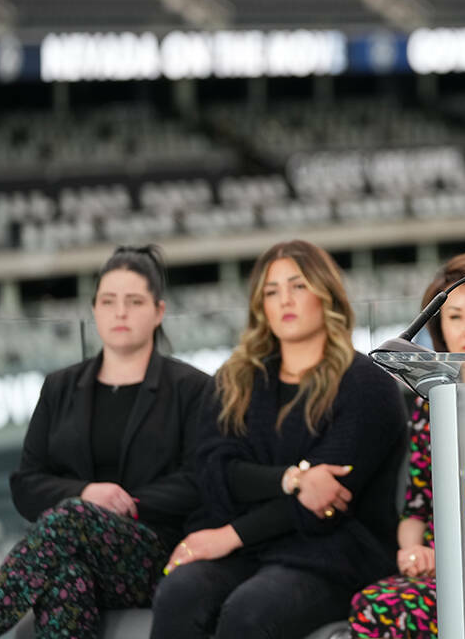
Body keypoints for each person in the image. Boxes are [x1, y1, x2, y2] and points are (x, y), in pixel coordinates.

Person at [0, 245, 212, 639]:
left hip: (157, 556)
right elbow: (27, 485)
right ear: (94, 310)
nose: (119, 312)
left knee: (74, 518)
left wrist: (124, 504)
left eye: (134, 301)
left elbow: (199, 480)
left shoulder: (192, 388)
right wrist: (88, 492)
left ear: (158, 311)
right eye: (108, 301)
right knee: (65, 579)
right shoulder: (60, 386)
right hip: (75, 551)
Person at [150, 240, 407, 639]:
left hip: (332, 554)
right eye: (272, 291)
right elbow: (217, 473)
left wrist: (227, 536)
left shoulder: (366, 384)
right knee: (180, 594)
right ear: (260, 306)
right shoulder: (236, 380)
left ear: (326, 295)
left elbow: (325, 505)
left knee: (250, 613)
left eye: (298, 286)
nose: (284, 300)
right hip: (249, 550)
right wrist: (293, 479)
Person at [348, 252, 465, 639]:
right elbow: (416, 507)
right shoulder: (430, 402)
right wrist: (412, 553)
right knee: (373, 603)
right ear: (439, 326)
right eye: (455, 316)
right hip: (438, 567)